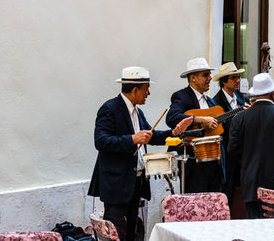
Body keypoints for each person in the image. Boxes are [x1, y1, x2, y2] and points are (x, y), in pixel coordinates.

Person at [88, 66, 192, 241]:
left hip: (136, 181)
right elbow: (101, 141)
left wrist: (173, 133)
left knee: (132, 232)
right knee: (117, 233)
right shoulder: (110, 108)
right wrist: (132, 139)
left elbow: (149, 135)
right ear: (135, 90)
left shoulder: (138, 111)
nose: (148, 93)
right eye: (146, 89)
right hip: (117, 184)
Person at [228, 72, 274, 219]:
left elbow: (232, 150)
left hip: (251, 184)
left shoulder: (238, 119)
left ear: (255, 96)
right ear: (273, 94)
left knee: (255, 229)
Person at [166, 57, 222, 193]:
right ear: (193, 78)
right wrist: (199, 120)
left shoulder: (211, 102)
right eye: (205, 75)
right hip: (192, 161)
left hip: (213, 161)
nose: (210, 78)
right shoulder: (182, 96)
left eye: (209, 74)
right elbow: (172, 118)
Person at [212, 62, 250, 205]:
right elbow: (223, 127)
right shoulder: (216, 102)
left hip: (242, 154)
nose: (238, 81)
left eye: (238, 77)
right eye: (234, 78)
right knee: (226, 190)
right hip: (227, 155)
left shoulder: (240, 97)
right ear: (224, 81)